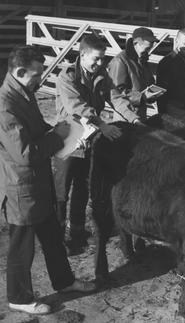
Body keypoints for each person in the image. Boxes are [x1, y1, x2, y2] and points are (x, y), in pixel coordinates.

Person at [0, 45, 96, 315]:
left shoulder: (23, 92)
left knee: (52, 238)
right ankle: (18, 297)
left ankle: (64, 282)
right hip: (21, 187)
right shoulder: (5, 105)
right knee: (22, 247)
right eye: (37, 74)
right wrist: (58, 137)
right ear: (19, 71)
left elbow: (36, 127)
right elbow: (24, 153)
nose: (40, 79)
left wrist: (61, 129)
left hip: (38, 182)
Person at [54, 35, 122, 255]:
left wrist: (134, 117)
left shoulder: (101, 75)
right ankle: (56, 238)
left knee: (83, 187)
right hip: (67, 138)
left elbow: (116, 97)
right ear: (82, 55)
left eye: (103, 59)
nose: (100, 64)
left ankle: (77, 232)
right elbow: (78, 107)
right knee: (62, 191)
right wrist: (102, 125)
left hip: (88, 138)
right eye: (96, 59)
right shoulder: (67, 77)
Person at [108, 27, 164, 123]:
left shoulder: (143, 59)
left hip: (140, 113)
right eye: (146, 48)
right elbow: (116, 93)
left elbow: (149, 83)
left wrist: (153, 94)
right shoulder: (120, 61)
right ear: (136, 43)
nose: (149, 50)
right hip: (125, 116)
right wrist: (142, 97)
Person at [156, 28, 185, 124]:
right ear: (177, 42)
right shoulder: (166, 62)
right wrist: (162, 116)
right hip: (173, 109)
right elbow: (161, 92)